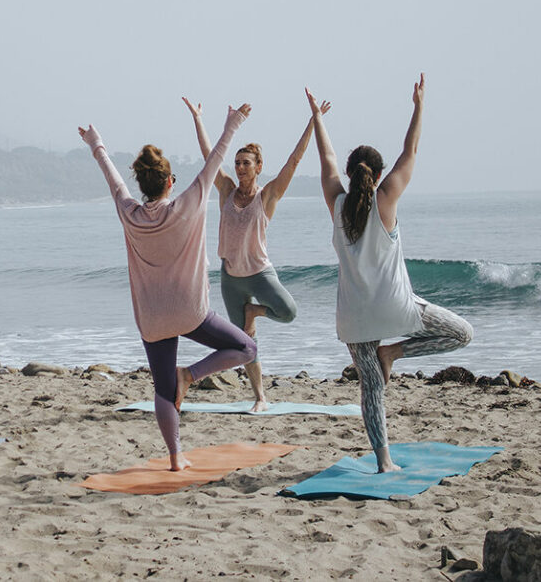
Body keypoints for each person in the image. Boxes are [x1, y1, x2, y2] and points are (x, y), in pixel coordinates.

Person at [307, 74, 473, 472]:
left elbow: (326, 162)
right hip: (397, 309)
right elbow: (410, 150)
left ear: (350, 175)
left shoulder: (337, 205)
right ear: (378, 175)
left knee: (371, 389)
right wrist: (418, 106)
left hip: (355, 318)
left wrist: (318, 119)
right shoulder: (387, 199)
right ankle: (394, 351)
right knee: (462, 333)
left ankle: (384, 462)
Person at [79, 104, 257, 471]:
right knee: (246, 347)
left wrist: (96, 144)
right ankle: (190, 375)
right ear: (170, 182)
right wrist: (233, 123)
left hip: (152, 319)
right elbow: (215, 161)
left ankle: (176, 459)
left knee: (162, 391)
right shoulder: (187, 205)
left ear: (142, 185)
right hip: (191, 312)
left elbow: (112, 179)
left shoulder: (128, 212)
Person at [184, 97, 329, 412]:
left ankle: (255, 313)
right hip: (231, 279)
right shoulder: (224, 190)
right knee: (246, 346)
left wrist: (313, 121)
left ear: (258, 167)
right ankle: (260, 397)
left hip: (261, 275)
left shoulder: (269, 196)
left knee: (288, 311)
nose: (238, 168)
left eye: (245, 163)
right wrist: (198, 118)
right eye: (237, 163)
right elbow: (211, 156)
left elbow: (294, 160)